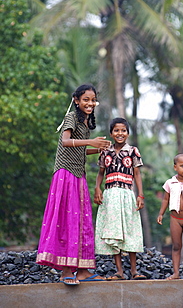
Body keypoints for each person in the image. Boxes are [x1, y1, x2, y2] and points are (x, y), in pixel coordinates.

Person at [36, 84, 111, 285]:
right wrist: (91, 142)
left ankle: (84, 271)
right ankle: (66, 271)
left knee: (81, 221)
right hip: (65, 174)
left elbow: (79, 150)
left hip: (78, 175)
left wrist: (100, 149)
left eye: (93, 100)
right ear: (76, 100)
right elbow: (66, 141)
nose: (90, 103)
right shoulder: (71, 116)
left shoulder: (85, 122)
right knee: (67, 219)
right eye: (86, 99)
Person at [94, 117, 146, 280]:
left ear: (128, 133)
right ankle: (119, 271)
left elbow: (137, 174)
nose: (120, 133)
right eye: (116, 130)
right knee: (114, 231)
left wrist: (140, 195)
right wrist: (97, 188)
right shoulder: (106, 151)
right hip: (109, 195)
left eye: (123, 130)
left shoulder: (133, 151)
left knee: (130, 230)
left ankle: (134, 270)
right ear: (111, 133)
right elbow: (101, 172)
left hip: (126, 194)